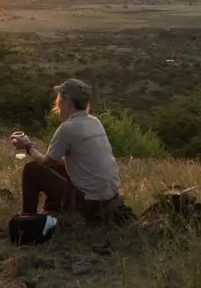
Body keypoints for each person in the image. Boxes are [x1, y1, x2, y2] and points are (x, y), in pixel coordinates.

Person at [13, 78, 121, 218]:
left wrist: (27, 146)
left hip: (89, 204)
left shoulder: (68, 128)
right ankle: (52, 210)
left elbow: (46, 162)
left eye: (59, 98)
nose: (57, 102)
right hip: (110, 200)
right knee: (59, 166)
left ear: (68, 102)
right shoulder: (95, 121)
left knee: (32, 170)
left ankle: (27, 220)